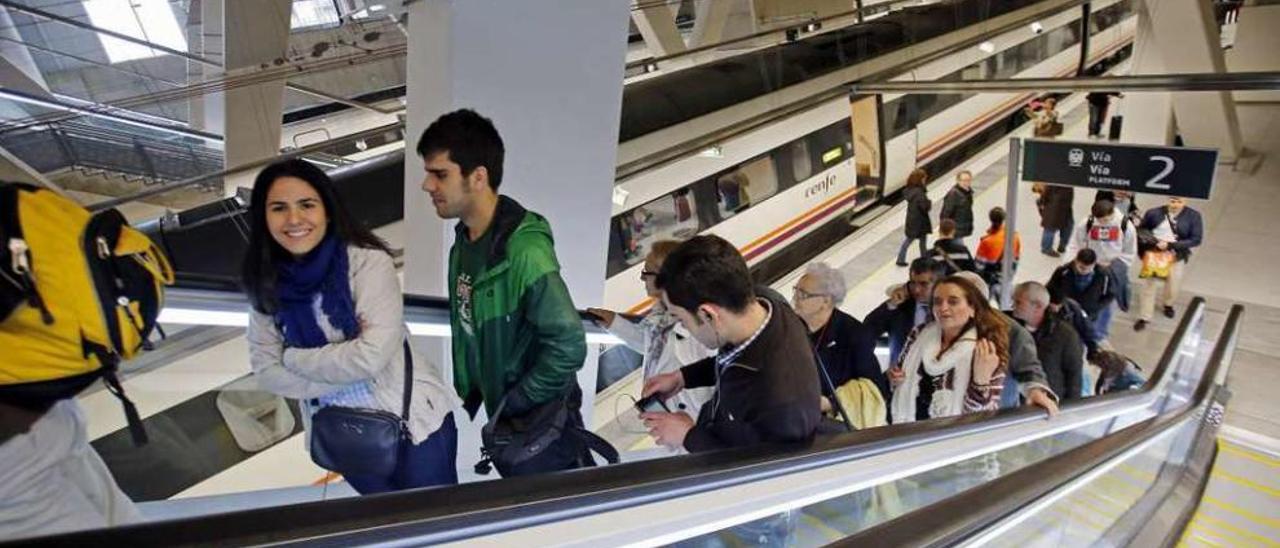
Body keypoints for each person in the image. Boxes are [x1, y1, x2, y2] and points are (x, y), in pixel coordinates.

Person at [243, 159, 460, 494]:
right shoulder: (265, 281)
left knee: (437, 524)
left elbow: (370, 358)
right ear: (264, 218)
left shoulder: (367, 263)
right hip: (345, 435)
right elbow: (266, 371)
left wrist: (293, 359)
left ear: (327, 210)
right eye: (278, 208)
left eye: (306, 205)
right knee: (387, 528)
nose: (294, 219)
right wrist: (342, 360)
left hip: (414, 425)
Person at [418, 109, 589, 475]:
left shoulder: (523, 251)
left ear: (478, 177)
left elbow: (570, 342)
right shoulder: (463, 243)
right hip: (506, 418)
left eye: (440, 174)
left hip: (537, 422)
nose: (427, 185)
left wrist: (517, 400)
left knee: (550, 511)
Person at [641, 235, 820, 452]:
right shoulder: (765, 307)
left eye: (680, 318)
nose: (684, 328)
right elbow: (733, 360)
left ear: (708, 314)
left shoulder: (781, 405)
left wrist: (689, 436)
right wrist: (682, 377)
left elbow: (757, 471)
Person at [587, 241, 714, 422]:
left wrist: (687, 427)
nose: (642, 279)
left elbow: (705, 383)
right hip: (668, 411)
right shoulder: (661, 313)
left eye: (646, 273)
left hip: (688, 421)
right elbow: (650, 344)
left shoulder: (695, 326)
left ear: (665, 278)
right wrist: (614, 323)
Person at [888, 275, 1007, 423]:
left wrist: (980, 383)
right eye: (937, 302)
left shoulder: (986, 350)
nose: (943, 308)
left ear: (972, 308)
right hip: (908, 428)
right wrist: (894, 377)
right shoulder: (919, 333)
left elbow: (980, 419)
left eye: (953, 302)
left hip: (952, 437)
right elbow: (898, 373)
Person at [950, 271, 1060, 414]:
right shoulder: (938, 323)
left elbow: (1028, 368)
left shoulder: (1009, 330)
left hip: (996, 414)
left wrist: (1035, 390)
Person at [791, 262, 890, 412]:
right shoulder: (790, 326)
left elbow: (875, 390)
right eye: (795, 291)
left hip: (830, 423)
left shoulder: (855, 335)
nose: (795, 298)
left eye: (803, 294)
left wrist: (831, 403)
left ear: (826, 301)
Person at [1068, 200, 1137, 337]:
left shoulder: (1125, 226)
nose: (1102, 224)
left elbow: (1129, 251)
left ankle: (1100, 334)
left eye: (1106, 220)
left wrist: (1114, 265)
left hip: (1112, 270)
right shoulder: (1086, 224)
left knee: (1107, 303)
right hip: (1091, 268)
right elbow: (1076, 244)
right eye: (1099, 221)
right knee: (1087, 299)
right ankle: (1083, 328)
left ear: (1112, 214)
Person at [1134, 197, 1204, 332]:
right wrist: (1154, 242)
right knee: (1150, 286)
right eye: (1173, 201)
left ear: (1185, 202)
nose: (1175, 205)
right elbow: (1142, 230)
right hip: (1156, 254)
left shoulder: (1193, 216)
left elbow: (1196, 239)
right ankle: (1145, 316)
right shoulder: (1154, 213)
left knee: (1173, 284)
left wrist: (1172, 245)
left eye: (1179, 202)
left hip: (1175, 256)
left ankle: (1168, 303)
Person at [865, 258, 945, 367]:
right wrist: (892, 304)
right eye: (913, 283)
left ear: (939, 284)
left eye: (923, 284)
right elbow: (867, 330)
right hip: (899, 376)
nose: (916, 289)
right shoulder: (899, 307)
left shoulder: (948, 309)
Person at [1012, 282, 1083, 401]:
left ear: (1038, 306)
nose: (1013, 306)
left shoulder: (1065, 335)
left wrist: (1070, 410)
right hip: (1014, 402)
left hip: (1046, 405)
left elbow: (1074, 378)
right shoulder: (1010, 326)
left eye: (1018, 302)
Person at [1047, 249, 1118, 340]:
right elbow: (1050, 288)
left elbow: (1110, 295)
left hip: (1089, 316)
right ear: (1076, 261)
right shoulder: (1063, 272)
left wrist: (1096, 307)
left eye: (1089, 268)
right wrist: (1053, 304)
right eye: (1081, 267)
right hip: (1065, 315)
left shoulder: (1104, 276)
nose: (1084, 271)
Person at [975, 207, 1021, 299]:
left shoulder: (987, 241)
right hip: (1005, 276)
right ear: (1003, 219)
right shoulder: (1014, 236)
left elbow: (979, 265)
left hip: (989, 279)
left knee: (984, 302)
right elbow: (1016, 257)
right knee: (1004, 303)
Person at [897, 168, 932, 267]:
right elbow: (924, 207)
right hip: (920, 221)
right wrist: (929, 202)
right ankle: (924, 259)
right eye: (924, 178)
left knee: (910, 240)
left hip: (912, 219)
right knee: (921, 241)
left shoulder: (910, 191)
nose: (925, 180)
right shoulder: (919, 193)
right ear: (920, 179)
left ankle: (901, 258)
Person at [1036, 184, 1074, 258]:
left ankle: (1062, 245)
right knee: (1051, 228)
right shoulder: (1055, 178)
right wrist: (1041, 202)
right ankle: (1047, 248)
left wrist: (1041, 202)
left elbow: (1046, 193)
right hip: (1056, 206)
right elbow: (1047, 192)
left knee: (1067, 225)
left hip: (1063, 205)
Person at [940, 170, 975, 243]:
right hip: (954, 230)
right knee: (958, 249)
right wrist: (945, 230)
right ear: (958, 181)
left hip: (960, 228)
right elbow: (946, 212)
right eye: (964, 180)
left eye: (968, 180)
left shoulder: (968, 193)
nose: (966, 183)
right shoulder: (953, 194)